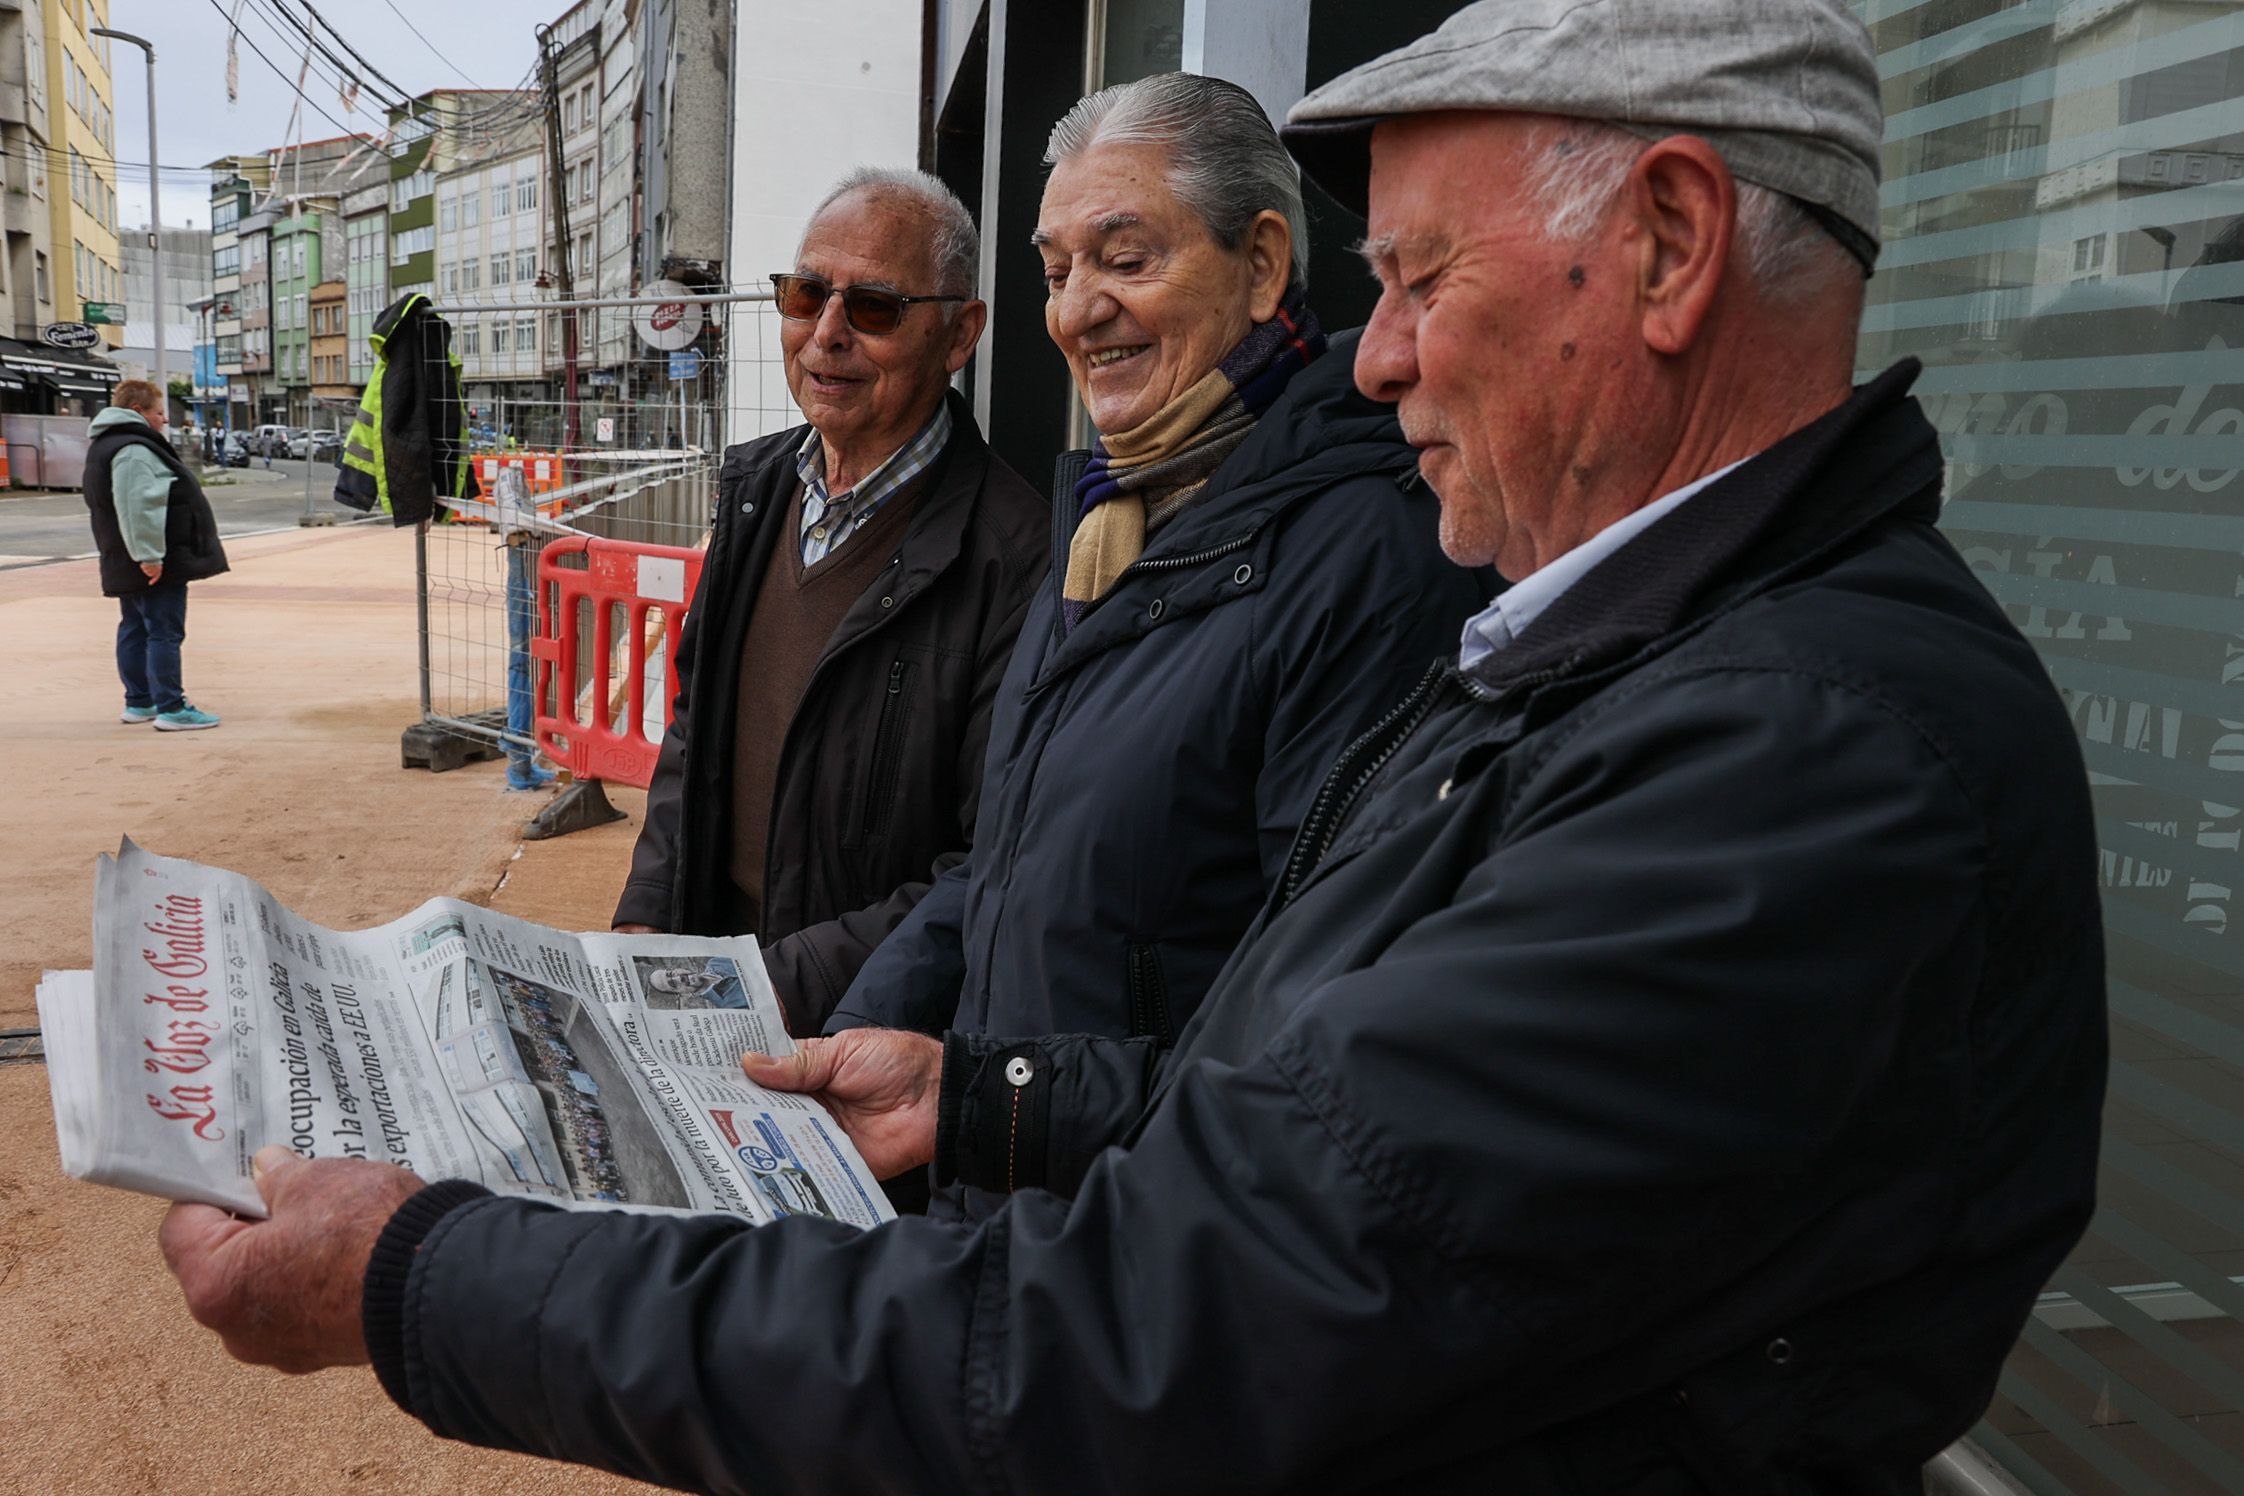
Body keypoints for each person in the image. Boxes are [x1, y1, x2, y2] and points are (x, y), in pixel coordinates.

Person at [159, 5, 2108, 1489]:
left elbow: (1165, 1322)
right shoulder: (1624, 656)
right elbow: (1323, 1109)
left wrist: (422, 1276)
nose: (1380, 350)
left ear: (1675, 246)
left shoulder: (1786, 764)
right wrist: (993, 1096)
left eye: (1423, 276)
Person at [825, 75, 1486, 1122]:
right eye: (1056, 269)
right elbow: (1007, 869)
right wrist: (857, 1030)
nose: (1077, 310)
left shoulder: (1375, 554)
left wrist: (998, 1115)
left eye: (1126, 259)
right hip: (1026, 1191)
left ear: (1263, 264)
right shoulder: (1108, 522)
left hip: (1144, 1233)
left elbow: (1313, 1032)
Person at [610, 168, 1047, 1035]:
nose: (827, 335)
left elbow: (988, 862)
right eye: (807, 294)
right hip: (709, 985)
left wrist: (783, 987)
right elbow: (696, 728)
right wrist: (648, 909)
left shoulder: (1019, 556)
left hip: (860, 1029)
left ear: (959, 336)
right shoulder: (758, 489)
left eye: (875, 307)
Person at [85, 379, 226, 732]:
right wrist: (149, 555)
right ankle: (171, 708)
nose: (164, 420)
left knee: (134, 628)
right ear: (138, 412)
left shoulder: (107, 444)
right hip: (151, 560)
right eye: (159, 412)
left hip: (125, 555)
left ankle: (140, 701)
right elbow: (139, 506)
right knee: (163, 631)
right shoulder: (134, 449)